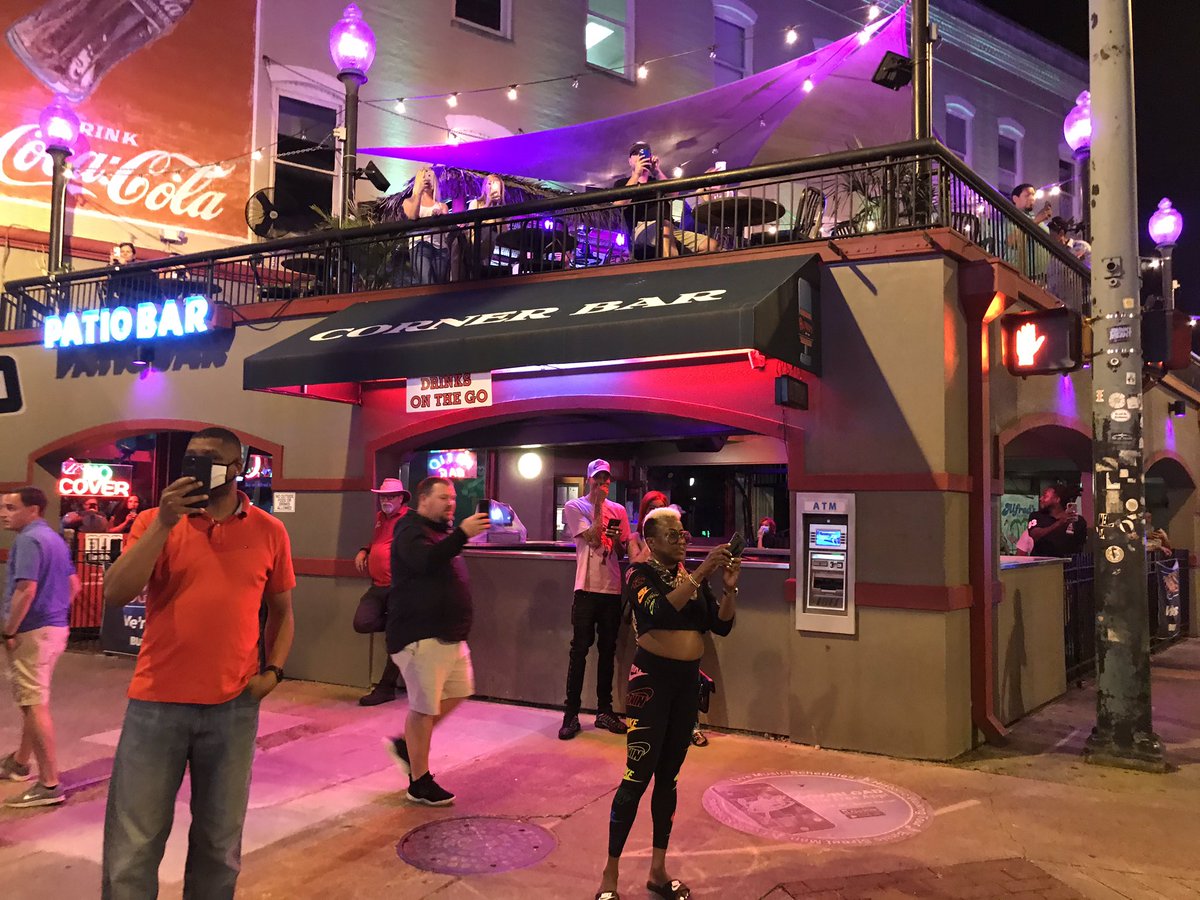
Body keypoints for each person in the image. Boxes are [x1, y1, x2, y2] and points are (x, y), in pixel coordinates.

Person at [100, 426, 296, 899]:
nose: (195, 466)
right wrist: (166, 522)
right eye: (190, 458)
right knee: (132, 849)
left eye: (208, 458)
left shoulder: (270, 530)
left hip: (232, 708)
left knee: (218, 846)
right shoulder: (153, 522)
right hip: (156, 705)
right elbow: (114, 592)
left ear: (237, 468)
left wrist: (273, 673)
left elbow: (283, 612)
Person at [597, 506, 739, 900]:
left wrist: (728, 587)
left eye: (683, 534)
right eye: (673, 535)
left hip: (685, 683)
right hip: (651, 682)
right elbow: (656, 611)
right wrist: (700, 574)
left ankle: (657, 871)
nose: (682, 540)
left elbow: (721, 625)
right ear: (652, 540)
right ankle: (609, 875)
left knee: (669, 778)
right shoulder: (638, 574)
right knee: (637, 775)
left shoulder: (689, 577)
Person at [382, 477, 490, 806]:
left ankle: (408, 747)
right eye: (443, 498)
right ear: (423, 499)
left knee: (459, 691)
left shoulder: (440, 532)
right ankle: (419, 782)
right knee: (423, 708)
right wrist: (462, 535)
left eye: (453, 499)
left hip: (448, 636)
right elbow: (425, 561)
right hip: (420, 635)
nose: (450, 504)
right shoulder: (409, 528)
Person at [0, 487, 80, 809]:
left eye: (10, 507)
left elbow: (26, 590)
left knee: (33, 703)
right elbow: (74, 585)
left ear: (33, 510)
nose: (4, 513)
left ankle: (49, 783)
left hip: (31, 631)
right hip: (54, 629)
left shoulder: (28, 541)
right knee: (32, 699)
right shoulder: (54, 538)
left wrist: (9, 631)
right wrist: (56, 611)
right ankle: (19, 763)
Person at [559, 459, 631, 741]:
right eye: (598, 479)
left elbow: (624, 550)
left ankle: (605, 711)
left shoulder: (620, 510)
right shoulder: (575, 507)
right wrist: (600, 508)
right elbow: (589, 537)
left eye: (606, 479)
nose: (603, 484)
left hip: (611, 588)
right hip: (586, 588)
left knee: (608, 650)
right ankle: (571, 714)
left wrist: (618, 540)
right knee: (579, 651)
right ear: (588, 480)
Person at [354, 478, 410, 706]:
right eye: (383, 496)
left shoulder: (409, 519)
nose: (385, 500)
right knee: (362, 622)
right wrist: (364, 550)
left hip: (399, 587)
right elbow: (377, 542)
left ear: (401, 499)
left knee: (395, 641)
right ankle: (401, 625)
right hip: (378, 585)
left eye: (390, 496)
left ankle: (386, 687)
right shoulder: (380, 518)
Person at [614, 141, 717, 259]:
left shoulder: (657, 181)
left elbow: (673, 194)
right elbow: (618, 204)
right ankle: (671, 271)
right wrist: (636, 174)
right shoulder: (623, 183)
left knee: (711, 245)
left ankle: (687, 272)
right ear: (630, 161)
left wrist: (657, 171)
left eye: (645, 152)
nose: (641, 156)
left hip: (669, 228)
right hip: (641, 230)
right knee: (665, 226)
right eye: (636, 153)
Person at [402, 166, 451, 284]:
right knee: (427, 282)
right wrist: (418, 194)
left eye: (430, 177)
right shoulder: (408, 201)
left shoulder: (442, 205)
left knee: (439, 286)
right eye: (423, 177)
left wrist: (440, 217)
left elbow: (446, 229)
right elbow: (412, 216)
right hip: (419, 245)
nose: (427, 180)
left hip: (440, 248)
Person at [1024, 482, 1088, 558]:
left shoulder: (1078, 521)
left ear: (1057, 499)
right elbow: (1035, 535)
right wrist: (1059, 523)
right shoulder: (1037, 516)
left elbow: (1081, 544)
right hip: (1042, 564)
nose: (1040, 499)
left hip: (1067, 565)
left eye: (1045, 496)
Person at [629, 491, 670, 564]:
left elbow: (679, 567)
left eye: (661, 508)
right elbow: (634, 566)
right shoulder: (635, 538)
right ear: (645, 511)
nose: (656, 512)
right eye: (652, 508)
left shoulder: (670, 537)